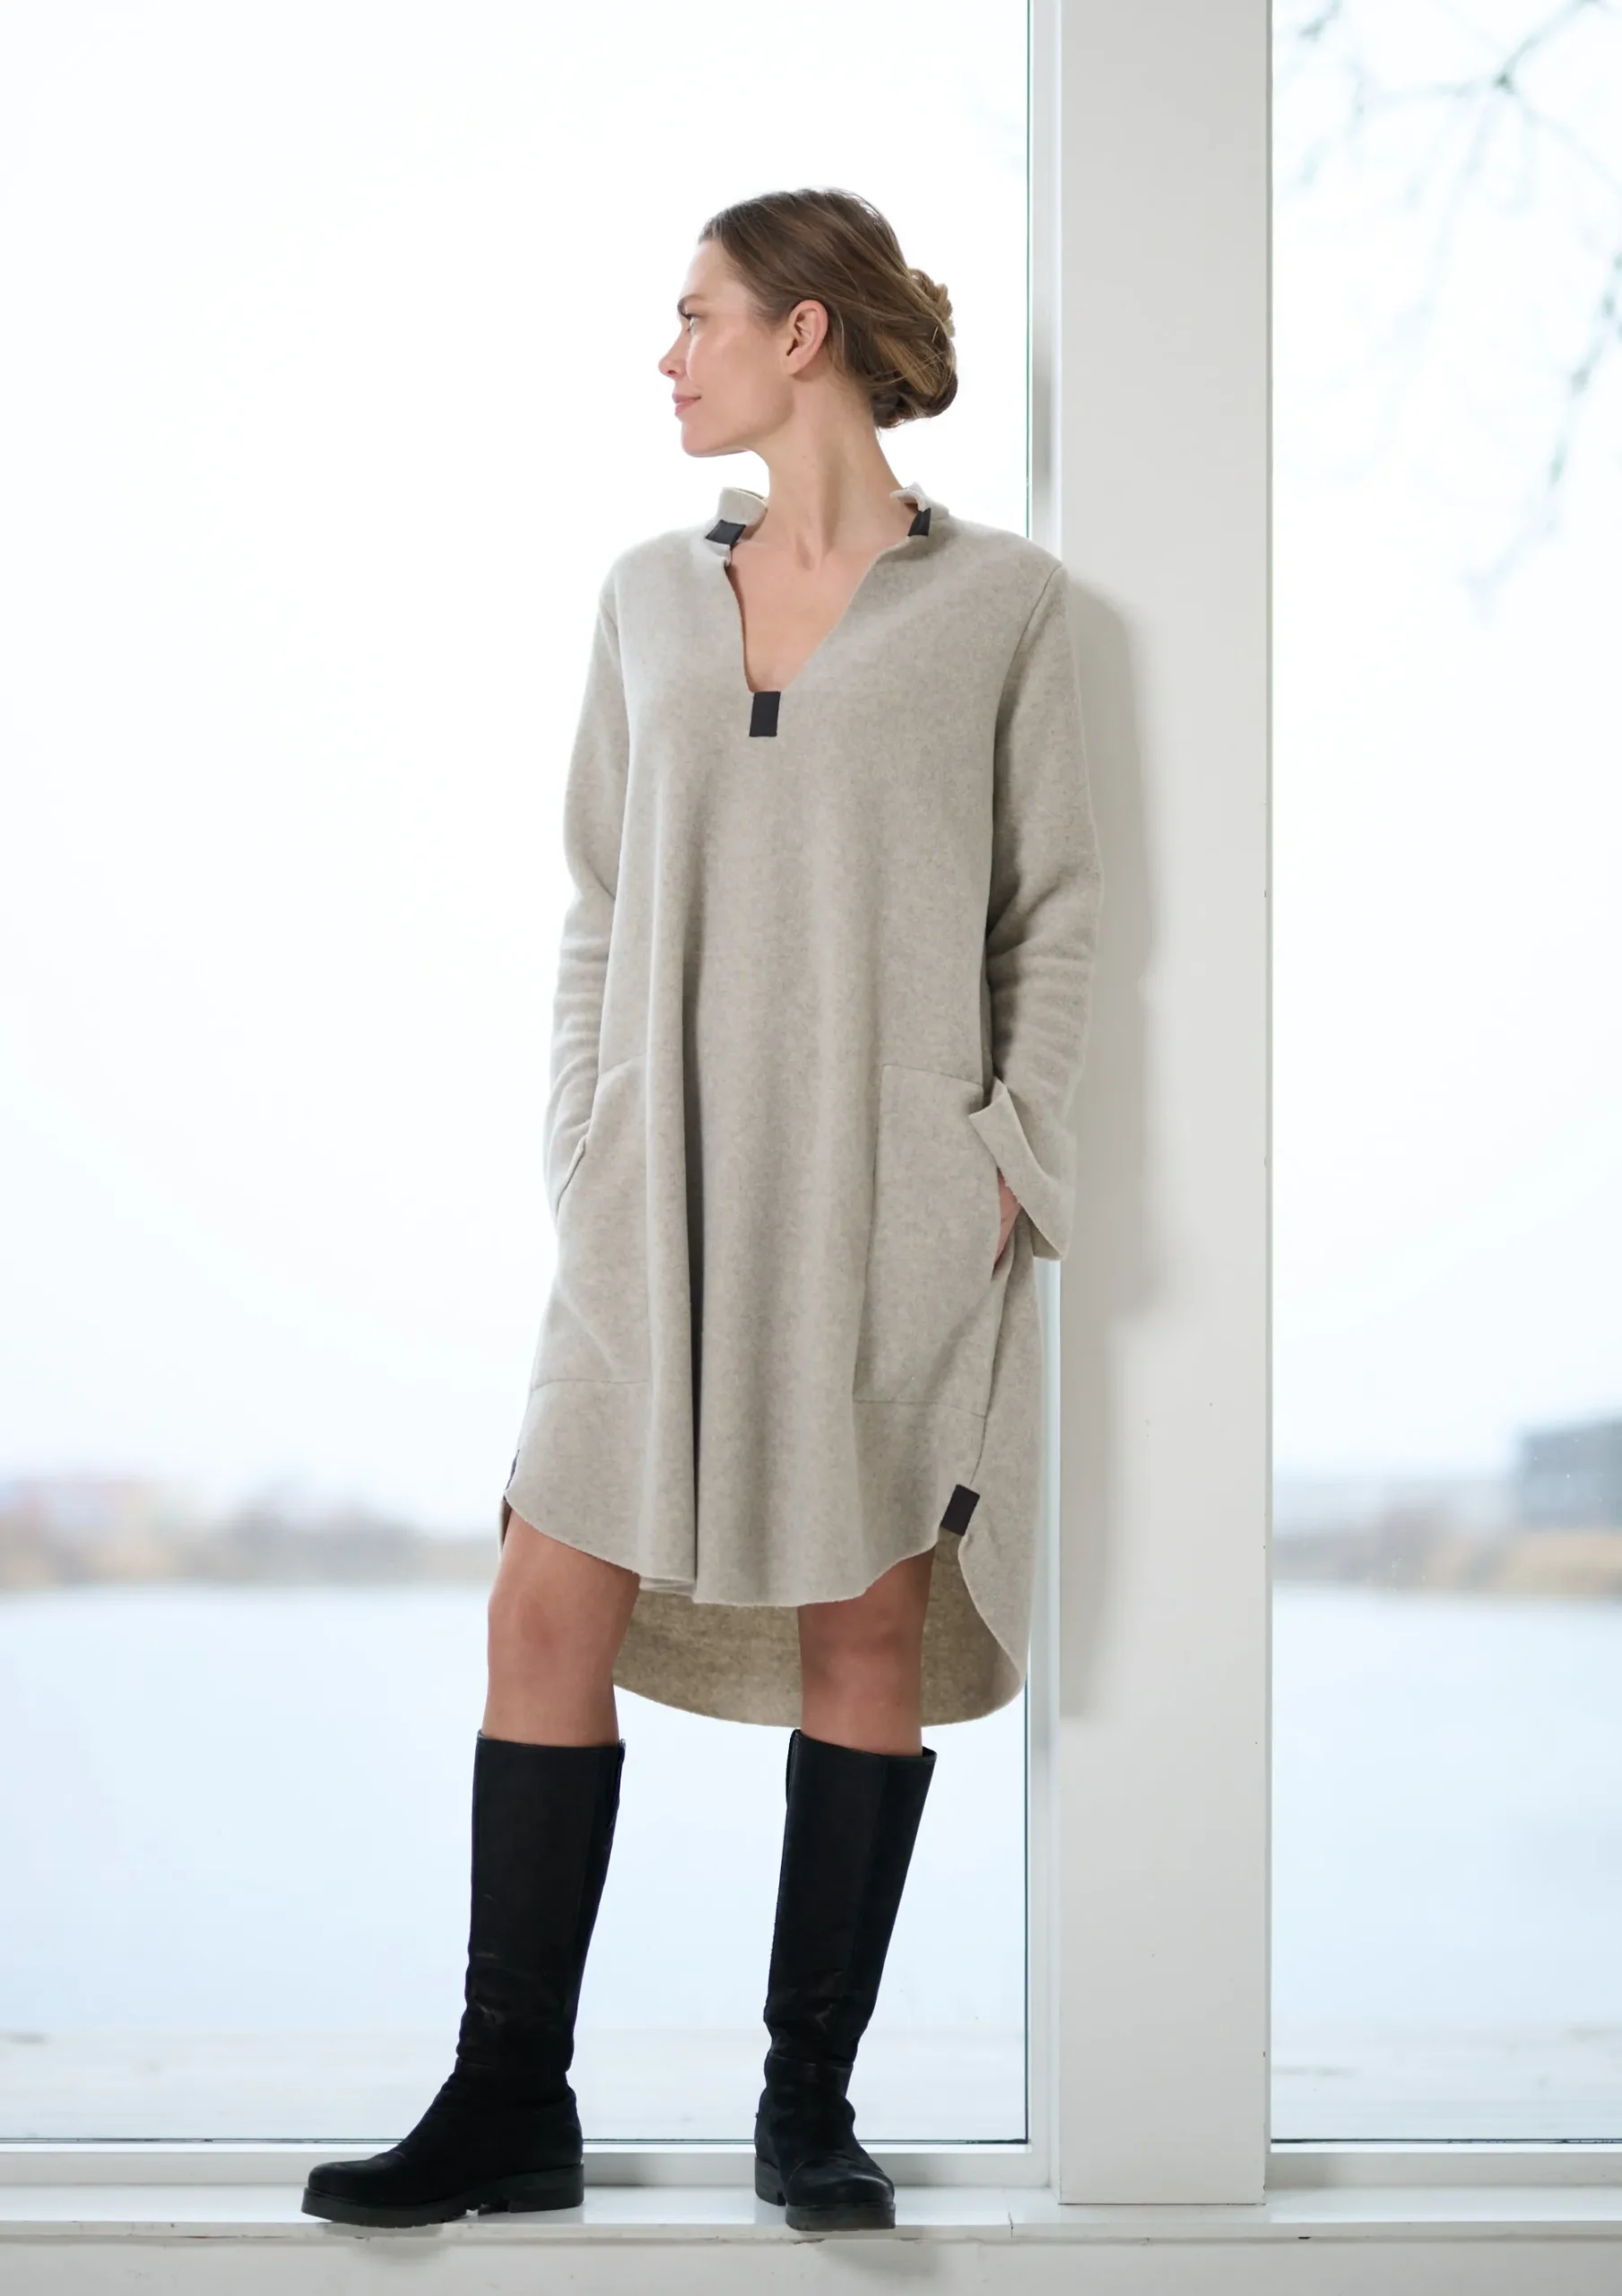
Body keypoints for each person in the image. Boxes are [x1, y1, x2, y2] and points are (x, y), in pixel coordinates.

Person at [302, 187, 1103, 2238]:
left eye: (697, 316)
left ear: (801, 333)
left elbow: (1053, 914)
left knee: (866, 1619)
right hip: (648, 1185)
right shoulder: (646, 595)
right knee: (539, 1599)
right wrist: (584, 1134)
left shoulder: (1005, 606)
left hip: (889, 1184)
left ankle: (805, 2107)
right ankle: (508, 2098)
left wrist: (1004, 1160)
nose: (668, 357)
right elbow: (597, 891)